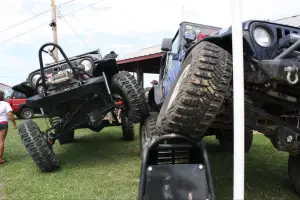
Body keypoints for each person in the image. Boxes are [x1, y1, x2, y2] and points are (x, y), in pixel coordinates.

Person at [0, 90, 17, 164]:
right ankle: (0, 159)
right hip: (3, 123)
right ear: (3, 96)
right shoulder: (5, 104)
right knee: (1, 141)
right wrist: (14, 123)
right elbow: (10, 114)